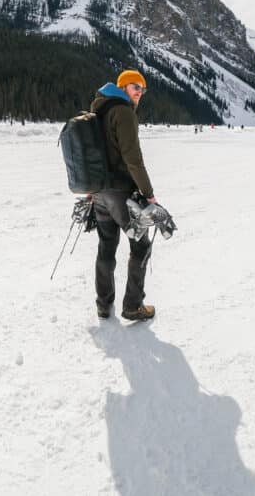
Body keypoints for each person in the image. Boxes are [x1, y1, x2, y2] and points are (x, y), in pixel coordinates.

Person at [90, 69, 157, 322]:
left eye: (142, 89)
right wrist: (148, 193)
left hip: (98, 193)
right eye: (135, 87)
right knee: (141, 245)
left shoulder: (99, 109)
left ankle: (103, 305)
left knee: (107, 246)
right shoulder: (124, 112)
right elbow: (133, 160)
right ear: (123, 87)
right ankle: (132, 306)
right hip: (120, 193)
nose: (139, 93)